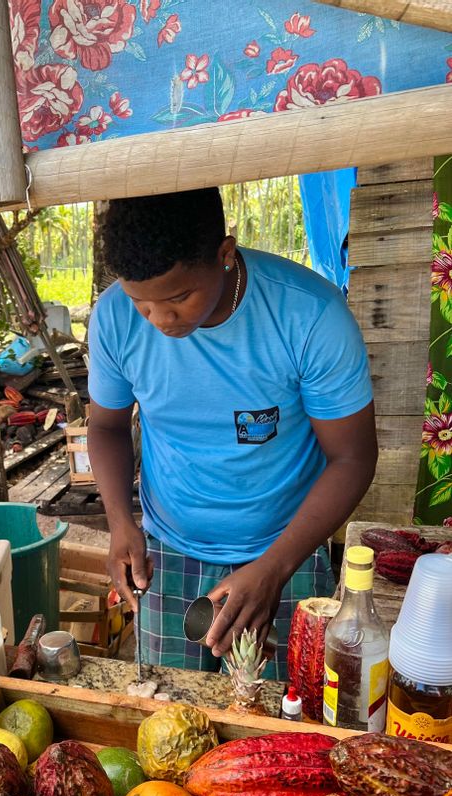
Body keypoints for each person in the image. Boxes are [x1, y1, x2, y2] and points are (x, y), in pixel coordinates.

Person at [86, 187, 377, 679]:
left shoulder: (310, 316)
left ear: (225, 253)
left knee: (274, 727)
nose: (160, 320)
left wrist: (275, 568)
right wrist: (120, 520)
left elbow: (353, 458)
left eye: (178, 297)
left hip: (287, 548)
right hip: (169, 549)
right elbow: (106, 427)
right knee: (166, 710)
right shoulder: (114, 317)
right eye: (143, 303)